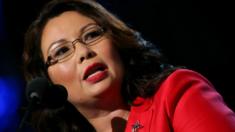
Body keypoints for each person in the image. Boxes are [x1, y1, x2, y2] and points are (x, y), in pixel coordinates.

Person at [22, 0, 235, 131]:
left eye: (92, 34)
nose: (84, 52)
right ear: (48, 82)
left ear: (116, 42)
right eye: (61, 51)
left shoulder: (176, 93)